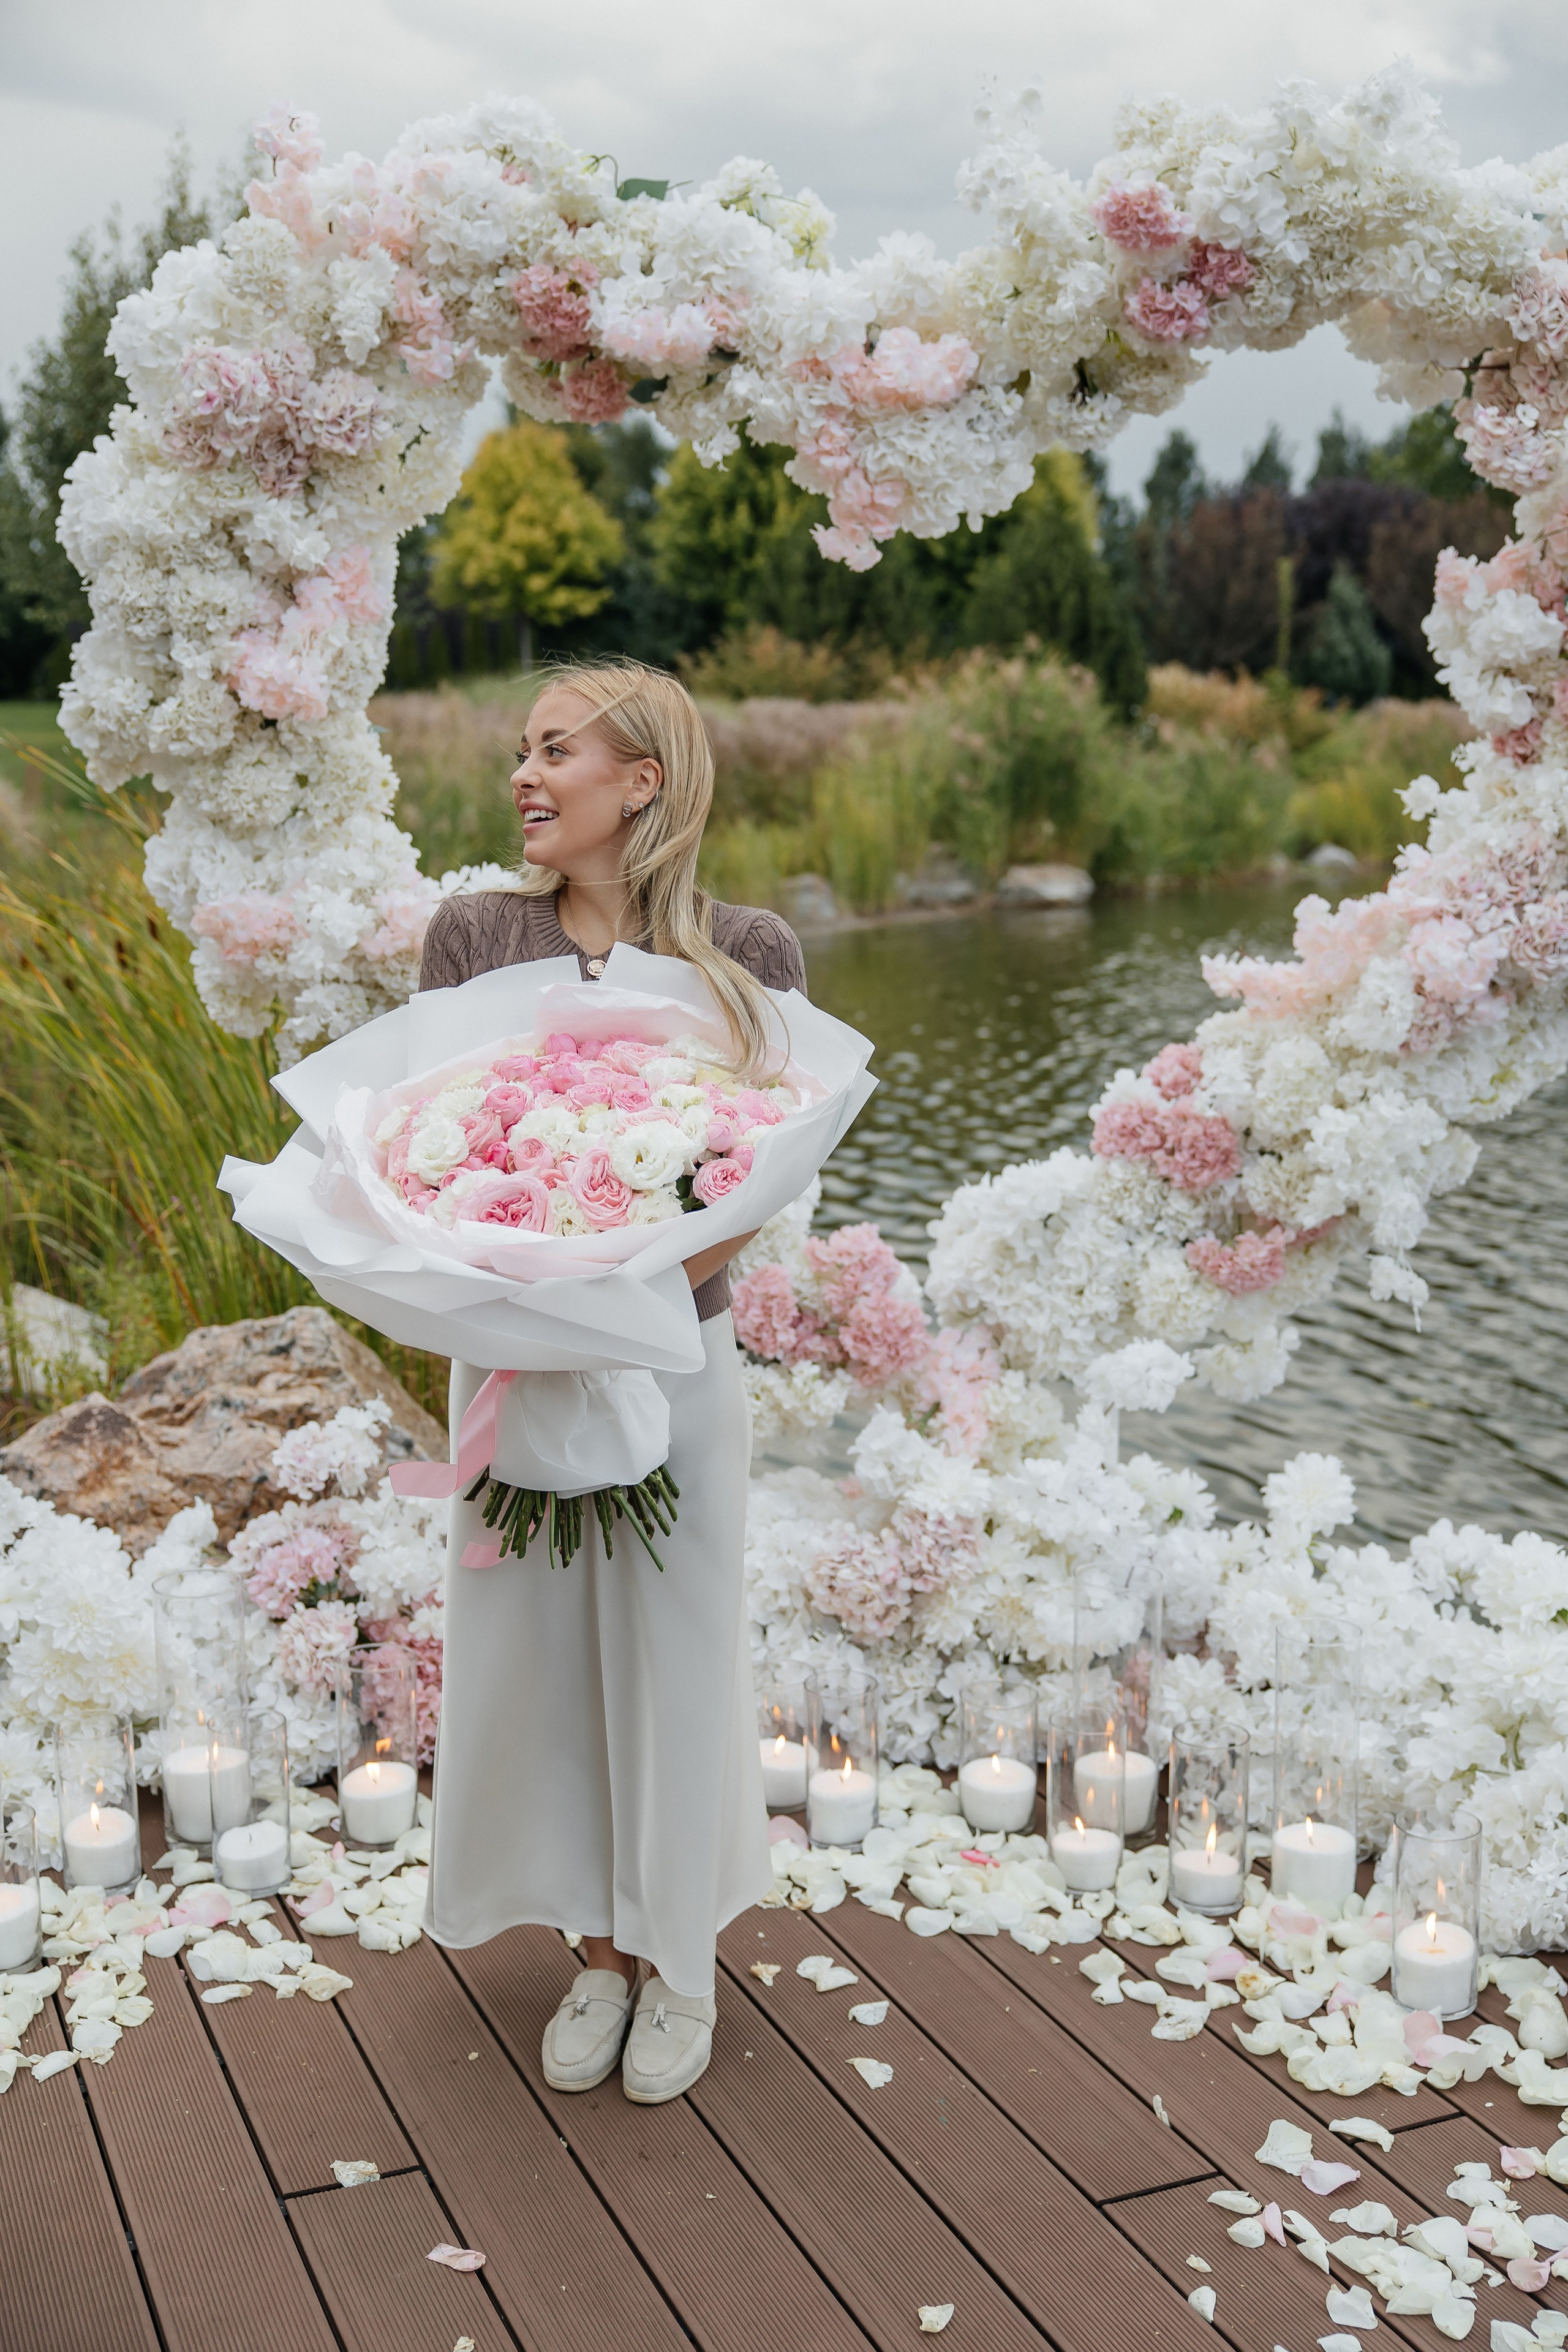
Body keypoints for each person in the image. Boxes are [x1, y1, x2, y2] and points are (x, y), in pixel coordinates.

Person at [417, 657, 807, 2105]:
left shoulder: (748, 953)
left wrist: (623, 1282)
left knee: (675, 1657)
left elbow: (759, 1177)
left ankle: (678, 1962)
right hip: (510, 1365)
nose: (523, 776)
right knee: (536, 1665)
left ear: (641, 781)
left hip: (675, 1359)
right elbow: (422, 1145)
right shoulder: (473, 938)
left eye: (554, 751)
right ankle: (594, 1952)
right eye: (520, 752)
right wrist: (526, 1290)